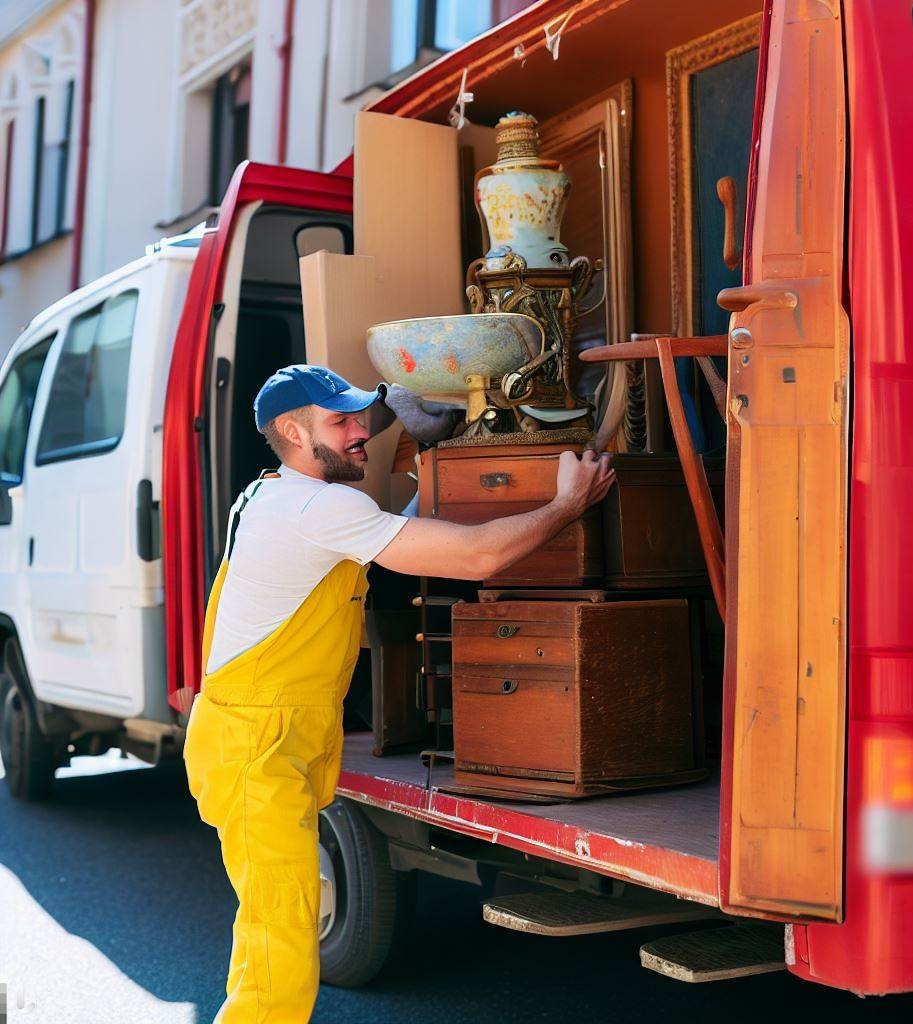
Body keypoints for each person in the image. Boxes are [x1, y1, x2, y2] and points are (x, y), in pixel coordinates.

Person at [182, 364, 614, 1023]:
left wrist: (419, 441)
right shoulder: (317, 508)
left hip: (258, 736)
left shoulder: (277, 496)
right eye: (341, 422)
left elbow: (388, 535)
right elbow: (475, 559)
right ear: (293, 432)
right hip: (256, 746)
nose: (360, 433)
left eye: (361, 417)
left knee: (271, 925)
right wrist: (564, 505)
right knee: (282, 944)